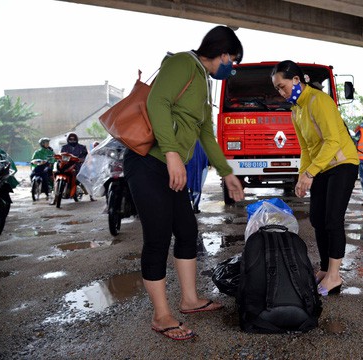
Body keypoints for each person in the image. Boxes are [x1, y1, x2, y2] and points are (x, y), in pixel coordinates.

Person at [123, 26, 245, 341]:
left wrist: (226, 171)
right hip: (148, 163)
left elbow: (206, 132)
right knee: (158, 237)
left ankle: (189, 300)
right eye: (234, 61)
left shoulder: (203, 82)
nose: (232, 67)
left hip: (169, 167)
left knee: (188, 231)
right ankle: (161, 315)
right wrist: (174, 153)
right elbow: (158, 103)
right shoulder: (181, 63)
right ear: (223, 53)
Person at [271, 60, 359, 297]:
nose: (280, 92)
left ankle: (335, 275)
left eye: (282, 86)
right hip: (322, 167)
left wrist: (311, 172)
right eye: (277, 89)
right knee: (318, 220)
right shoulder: (296, 110)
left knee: (332, 219)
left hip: (343, 165)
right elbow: (306, 148)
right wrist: (302, 176)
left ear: (296, 80)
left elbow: (332, 141)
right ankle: (324, 269)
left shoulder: (319, 101)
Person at [61, 132, 93, 200]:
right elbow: (61, 156)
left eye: (74, 139)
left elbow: (86, 156)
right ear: (68, 140)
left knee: (85, 179)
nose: (72, 140)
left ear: (77, 139)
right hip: (67, 166)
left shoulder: (82, 147)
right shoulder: (64, 147)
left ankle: (91, 195)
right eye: (71, 139)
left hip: (79, 166)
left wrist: (82, 159)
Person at [185, 141, 209, 214]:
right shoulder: (201, 140)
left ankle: (189, 206)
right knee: (197, 184)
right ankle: (195, 207)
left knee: (187, 184)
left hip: (187, 164)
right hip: (198, 165)